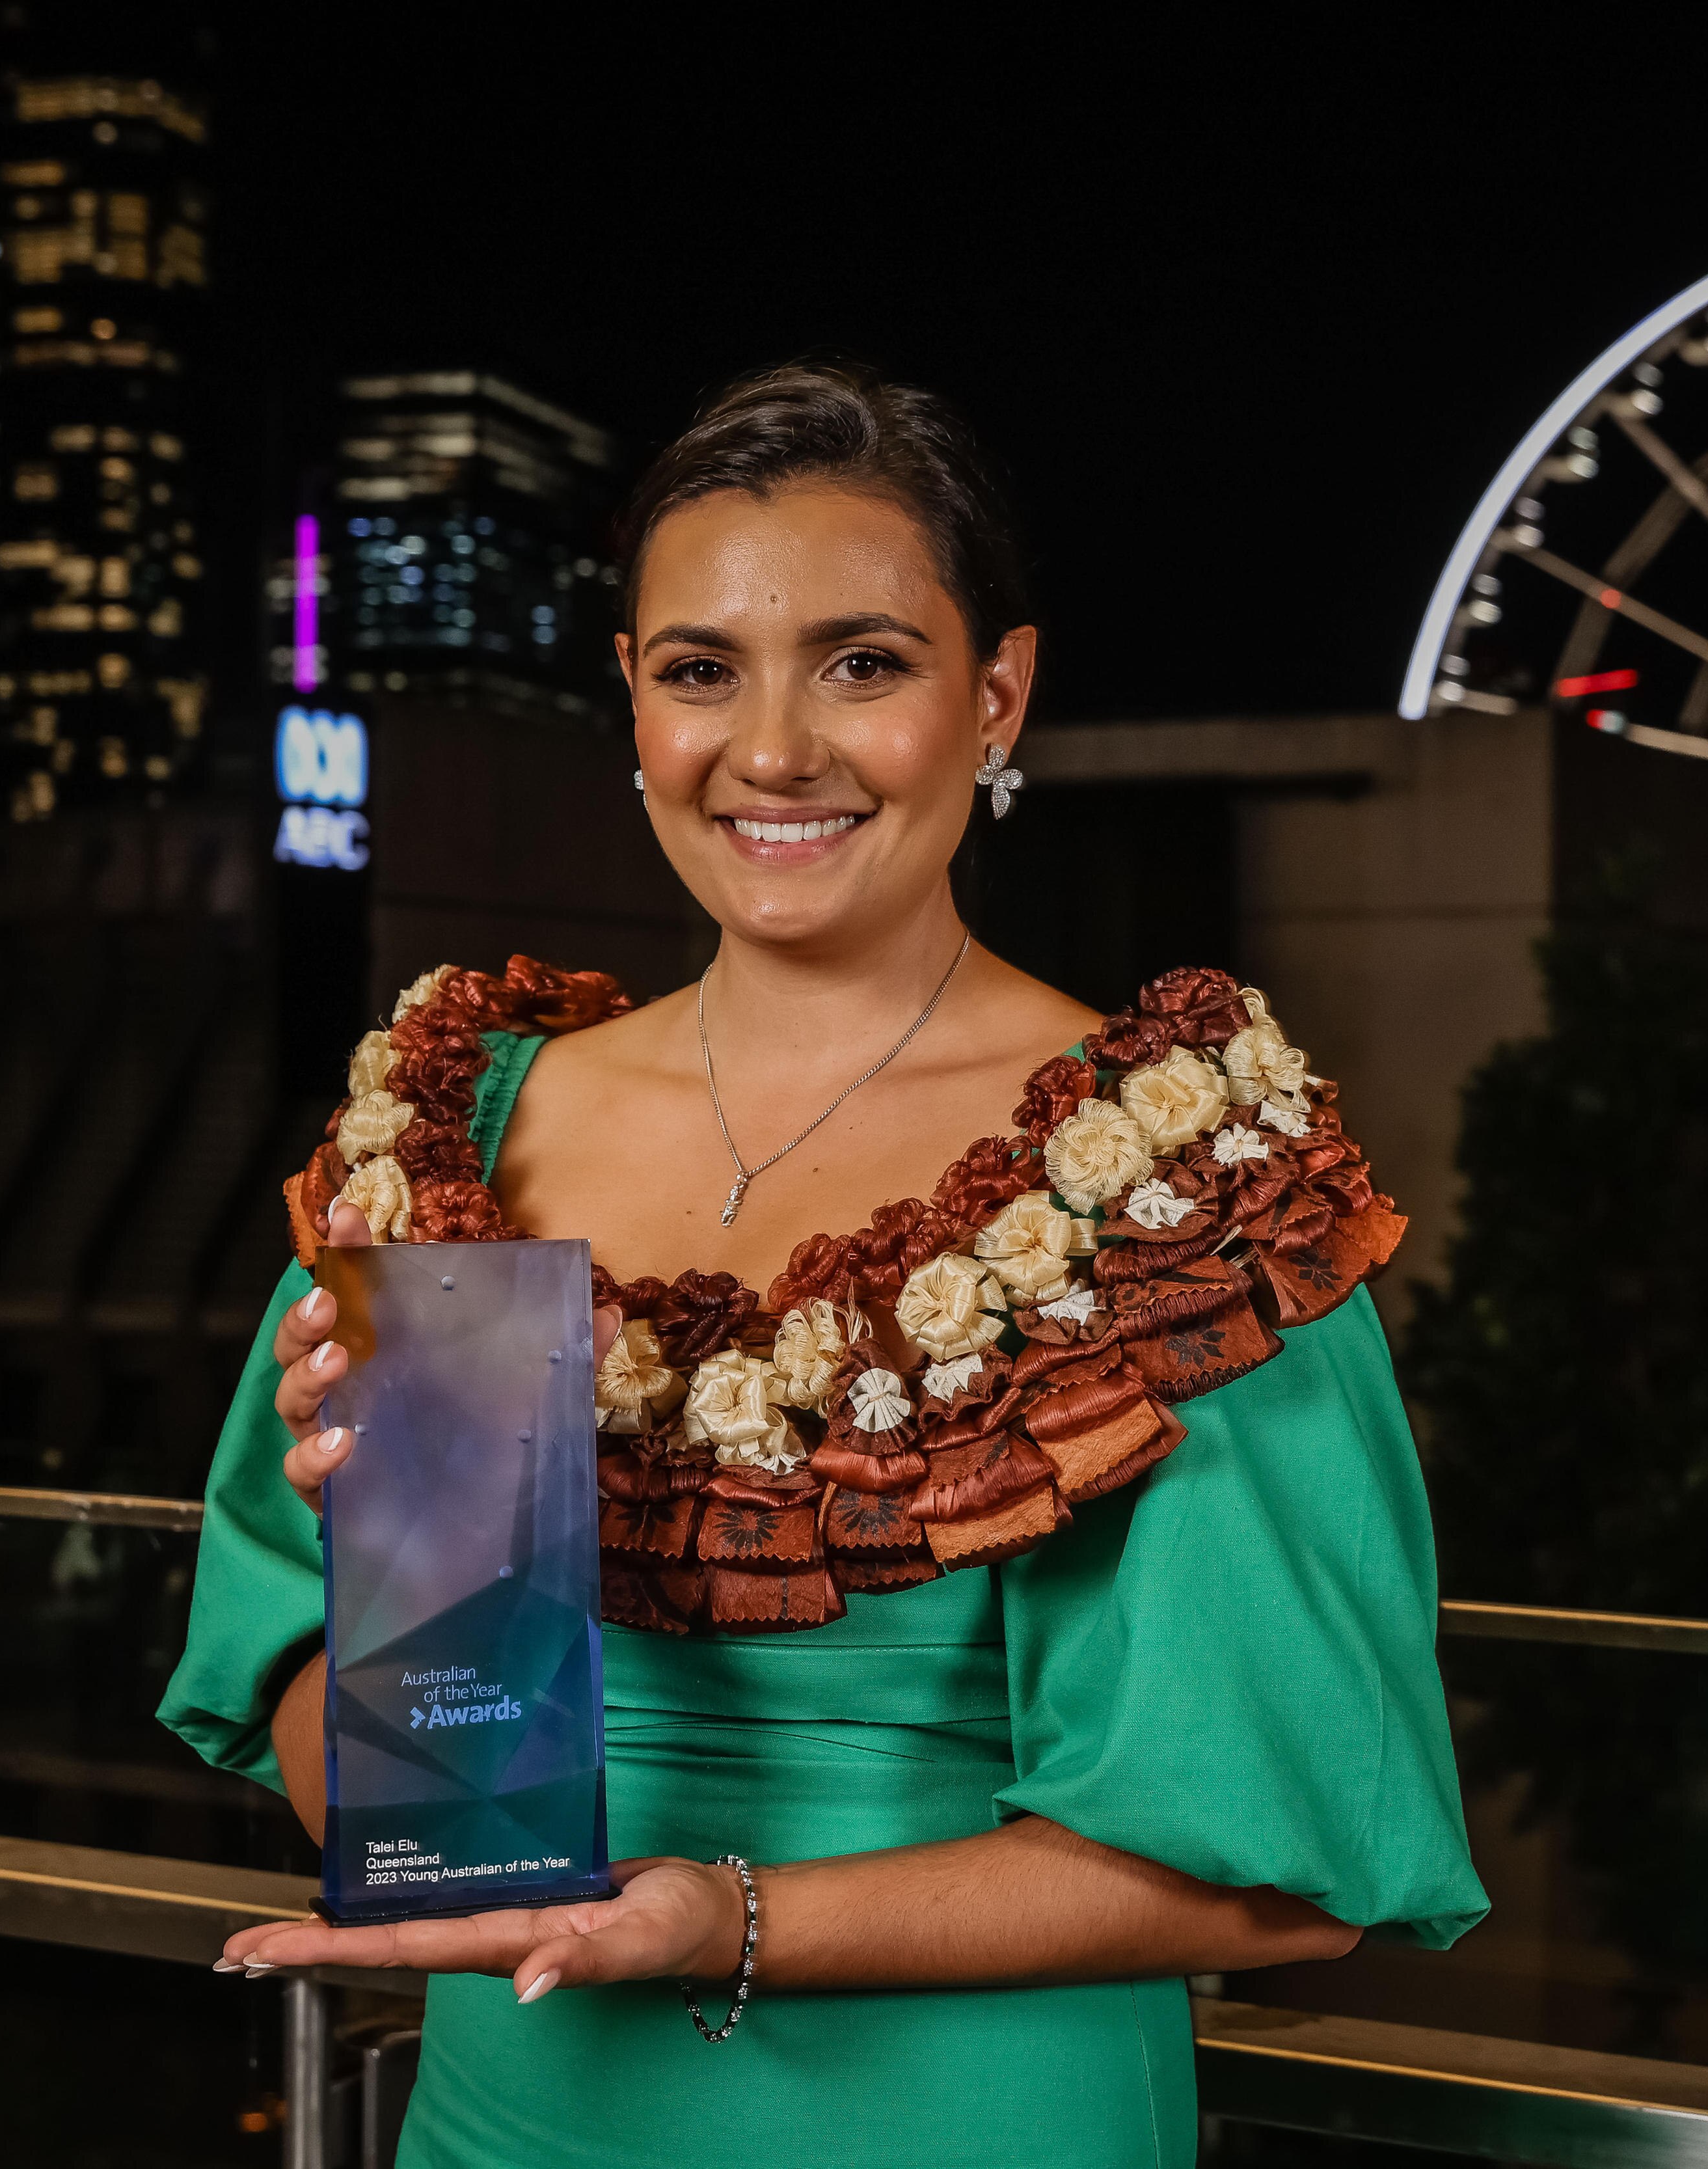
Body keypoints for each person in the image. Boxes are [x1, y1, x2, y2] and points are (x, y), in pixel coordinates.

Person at [161, 361, 1484, 2168]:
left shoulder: (1184, 1185)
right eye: (702, 669)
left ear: (997, 694)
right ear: (630, 700)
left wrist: (730, 1914)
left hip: (965, 2119)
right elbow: (321, 1692)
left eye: (863, 663)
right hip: (509, 2115)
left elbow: (1288, 1870)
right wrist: (399, 1606)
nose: (772, 749)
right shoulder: (454, 1128)